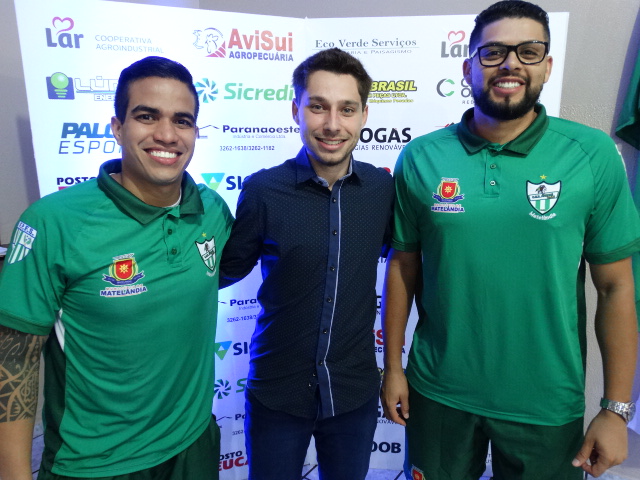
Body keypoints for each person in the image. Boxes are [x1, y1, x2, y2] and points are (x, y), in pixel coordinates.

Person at [380, 2, 640, 479]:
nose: (510, 63)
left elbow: (617, 287)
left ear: (546, 66)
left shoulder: (592, 155)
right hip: (439, 393)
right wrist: (393, 367)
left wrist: (615, 408)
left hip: (545, 403)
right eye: (493, 51)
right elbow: (403, 268)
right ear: (468, 67)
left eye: (528, 50)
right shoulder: (421, 157)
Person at [0, 56, 233, 480]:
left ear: (195, 132)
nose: (166, 134)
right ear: (117, 127)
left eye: (182, 120)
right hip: (97, 464)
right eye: (147, 116)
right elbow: (14, 361)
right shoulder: (53, 223)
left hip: (193, 446)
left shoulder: (212, 210)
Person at [219, 47, 394, 480]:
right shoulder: (263, 190)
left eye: (346, 109)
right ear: (295, 109)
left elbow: (411, 266)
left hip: (352, 393)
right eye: (317, 106)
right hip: (278, 391)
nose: (332, 124)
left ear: (364, 115)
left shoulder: (382, 190)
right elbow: (222, 271)